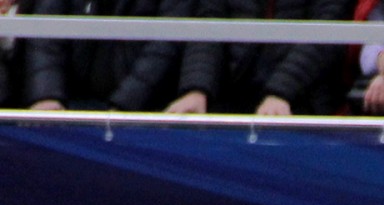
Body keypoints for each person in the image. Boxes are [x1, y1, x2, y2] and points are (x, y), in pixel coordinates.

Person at [165, 0, 351, 118]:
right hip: (232, 93)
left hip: (302, 99)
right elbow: (208, 24)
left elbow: (325, 36)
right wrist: (197, 89)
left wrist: (280, 93)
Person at [23, 0, 191, 112]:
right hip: (69, 101)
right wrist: (47, 95)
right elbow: (46, 32)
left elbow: (164, 45)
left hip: (139, 110)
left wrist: (122, 106)